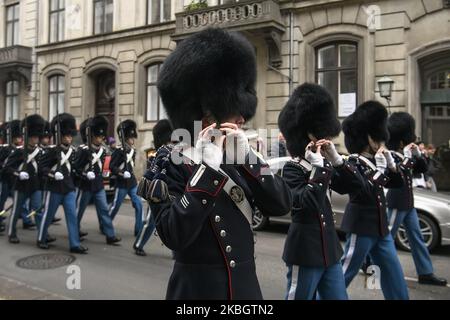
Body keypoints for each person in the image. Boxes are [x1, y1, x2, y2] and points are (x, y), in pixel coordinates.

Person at [139, 28, 292, 299]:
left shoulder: (238, 156)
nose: (243, 118)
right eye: (236, 107)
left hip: (245, 292)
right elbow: (173, 234)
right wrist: (206, 171)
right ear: (208, 112)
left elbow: (280, 204)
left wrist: (250, 160)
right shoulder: (168, 162)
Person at [278, 83, 362, 300]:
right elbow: (305, 205)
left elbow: (356, 188)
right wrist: (320, 169)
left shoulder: (324, 165)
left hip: (330, 251)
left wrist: (336, 161)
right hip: (305, 252)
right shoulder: (293, 169)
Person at [340, 101, 409, 300]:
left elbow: (395, 184)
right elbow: (363, 189)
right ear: (369, 138)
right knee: (343, 274)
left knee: (393, 274)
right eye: (377, 137)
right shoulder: (354, 162)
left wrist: (391, 165)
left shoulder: (374, 160)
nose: (380, 141)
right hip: (361, 227)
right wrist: (379, 168)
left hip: (380, 228)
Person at [385, 112, 447, 286]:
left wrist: (417, 154)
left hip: (408, 202)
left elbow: (422, 169)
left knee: (417, 238)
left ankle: (425, 272)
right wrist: (407, 156)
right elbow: (397, 173)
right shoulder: (391, 155)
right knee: (385, 236)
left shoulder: (406, 153)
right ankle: (368, 261)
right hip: (397, 202)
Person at [37, 113, 88, 254]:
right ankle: (41, 238)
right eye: (66, 135)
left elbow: (75, 169)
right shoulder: (52, 151)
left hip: (69, 188)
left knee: (72, 216)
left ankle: (75, 244)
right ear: (60, 135)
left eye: (70, 136)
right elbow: (42, 168)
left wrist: (84, 173)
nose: (69, 138)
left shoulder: (72, 152)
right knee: (48, 215)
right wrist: (53, 174)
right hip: (54, 188)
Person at [74, 115, 121, 245]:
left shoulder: (104, 151)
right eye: (99, 136)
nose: (101, 139)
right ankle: (74, 231)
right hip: (85, 185)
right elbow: (76, 169)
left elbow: (105, 168)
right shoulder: (83, 151)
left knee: (104, 210)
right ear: (92, 136)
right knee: (79, 210)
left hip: (98, 185)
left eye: (102, 137)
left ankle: (110, 235)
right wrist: (85, 174)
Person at [134, 119, 173, 256]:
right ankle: (138, 244)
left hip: (171, 191)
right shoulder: (159, 153)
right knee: (151, 222)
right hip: (157, 191)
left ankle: (176, 251)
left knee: (175, 221)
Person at [5, 115, 46, 244]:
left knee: (38, 211)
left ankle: (42, 236)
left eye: (36, 137)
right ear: (27, 136)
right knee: (16, 210)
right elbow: (7, 168)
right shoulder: (19, 151)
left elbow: (41, 169)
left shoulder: (41, 152)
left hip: (35, 186)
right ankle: (12, 233)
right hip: (21, 185)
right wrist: (18, 173)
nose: (35, 139)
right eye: (33, 137)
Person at [108, 120, 143, 236]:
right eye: (131, 138)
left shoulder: (133, 151)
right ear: (126, 138)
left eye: (133, 137)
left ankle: (138, 229)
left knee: (138, 204)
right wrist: (122, 173)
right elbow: (112, 167)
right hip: (121, 183)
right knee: (116, 206)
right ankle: (106, 224)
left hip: (132, 182)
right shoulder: (118, 151)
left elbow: (130, 165)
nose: (133, 140)